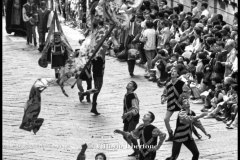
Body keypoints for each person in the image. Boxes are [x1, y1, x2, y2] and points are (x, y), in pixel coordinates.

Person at [161, 67, 191, 141]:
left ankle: (188, 133)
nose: (172, 72)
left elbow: (188, 92)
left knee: (185, 119)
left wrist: (181, 97)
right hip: (171, 103)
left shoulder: (182, 83)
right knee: (166, 119)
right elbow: (164, 94)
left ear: (177, 74)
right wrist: (163, 99)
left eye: (174, 71)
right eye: (171, 71)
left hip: (180, 104)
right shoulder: (168, 84)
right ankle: (170, 134)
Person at [122, 81, 140, 157]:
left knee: (130, 135)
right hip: (127, 118)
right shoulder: (126, 95)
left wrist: (127, 114)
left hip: (133, 118)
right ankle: (136, 150)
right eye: (128, 83)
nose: (128, 84)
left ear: (133, 88)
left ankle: (138, 152)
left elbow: (136, 110)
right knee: (125, 135)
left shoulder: (133, 96)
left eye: (130, 84)